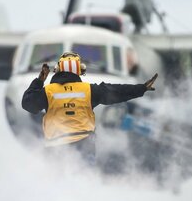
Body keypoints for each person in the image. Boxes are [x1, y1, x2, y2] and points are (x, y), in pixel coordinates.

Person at [21, 51, 158, 165]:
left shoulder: (48, 91)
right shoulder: (89, 90)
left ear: (59, 70)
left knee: (56, 187)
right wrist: (141, 88)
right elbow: (117, 91)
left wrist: (39, 81)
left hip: (55, 148)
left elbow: (27, 104)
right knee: (84, 185)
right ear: (78, 70)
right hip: (84, 146)